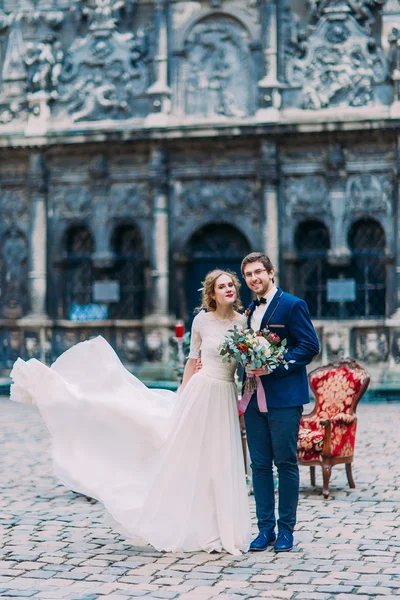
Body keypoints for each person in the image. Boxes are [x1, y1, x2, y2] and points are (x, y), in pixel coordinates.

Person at [10, 270, 251, 555]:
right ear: (212, 293)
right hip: (200, 393)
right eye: (222, 286)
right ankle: (188, 523)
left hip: (224, 393)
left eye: (231, 285)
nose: (228, 289)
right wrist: (182, 395)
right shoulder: (201, 321)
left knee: (220, 459)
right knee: (191, 457)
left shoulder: (243, 322)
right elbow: (192, 361)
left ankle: (221, 526)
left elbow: (246, 364)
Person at [241, 252, 320, 553]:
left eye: (259, 272)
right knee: (259, 465)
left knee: (285, 463)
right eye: (249, 274)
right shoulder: (248, 310)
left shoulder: (292, 304)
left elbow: (310, 346)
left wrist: (276, 364)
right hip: (251, 396)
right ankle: (265, 530)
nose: (254, 278)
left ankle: (286, 530)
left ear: (271, 272)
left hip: (284, 398)